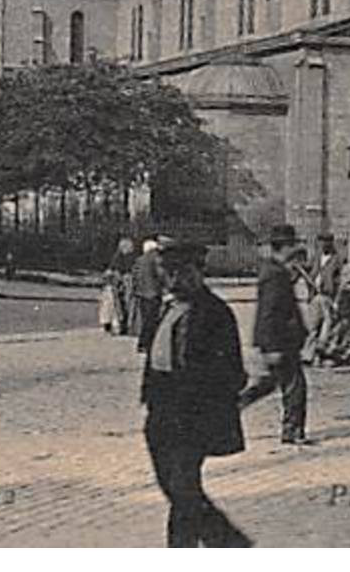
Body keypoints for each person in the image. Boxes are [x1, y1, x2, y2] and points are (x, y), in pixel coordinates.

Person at [140, 239, 252, 547]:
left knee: (183, 486)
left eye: (179, 273)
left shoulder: (215, 313)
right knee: (175, 488)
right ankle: (230, 543)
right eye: (168, 272)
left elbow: (234, 372)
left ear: (196, 273)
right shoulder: (168, 309)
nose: (172, 279)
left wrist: (205, 398)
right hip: (161, 412)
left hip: (192, 416)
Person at [238, 223, 310, 444]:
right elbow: (268, 313)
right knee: (295, 387)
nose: (295, 249)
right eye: (292, 245)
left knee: (268, 384)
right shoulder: (274, 275)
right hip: (280, 343)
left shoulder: (276, 272)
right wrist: (271, 347)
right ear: (285, 247)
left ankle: (232, 406)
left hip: (280, 341)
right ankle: (292, 431)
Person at [310, 233, 344, 364]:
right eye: (320, 242)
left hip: (328, 296)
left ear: (331, 243)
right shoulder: (316, 258)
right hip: (314, 296)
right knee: (314, 326)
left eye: (326, 242)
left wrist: (337, 300)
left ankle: (323, 353)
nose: (323, 245)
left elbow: (340, 281)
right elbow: (310, 271)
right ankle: (311, 355)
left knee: (328, 325)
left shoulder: (337, 260)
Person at [288, 245, 322, 362]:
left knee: (311, 328)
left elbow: (311, 281)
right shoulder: (293, 272)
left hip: (306, 302)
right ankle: (306, 353)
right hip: (298, 302)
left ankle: (309, 354)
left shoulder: (305, 271)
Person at [132, 238, 166, 355]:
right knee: (152, 319)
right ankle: (148, 342)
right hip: (154, 293)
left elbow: (135, 276)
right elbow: (160, 274)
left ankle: (142, 343)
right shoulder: (156, 259)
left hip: (142, 293)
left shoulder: (139, 260)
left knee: (145, 319)